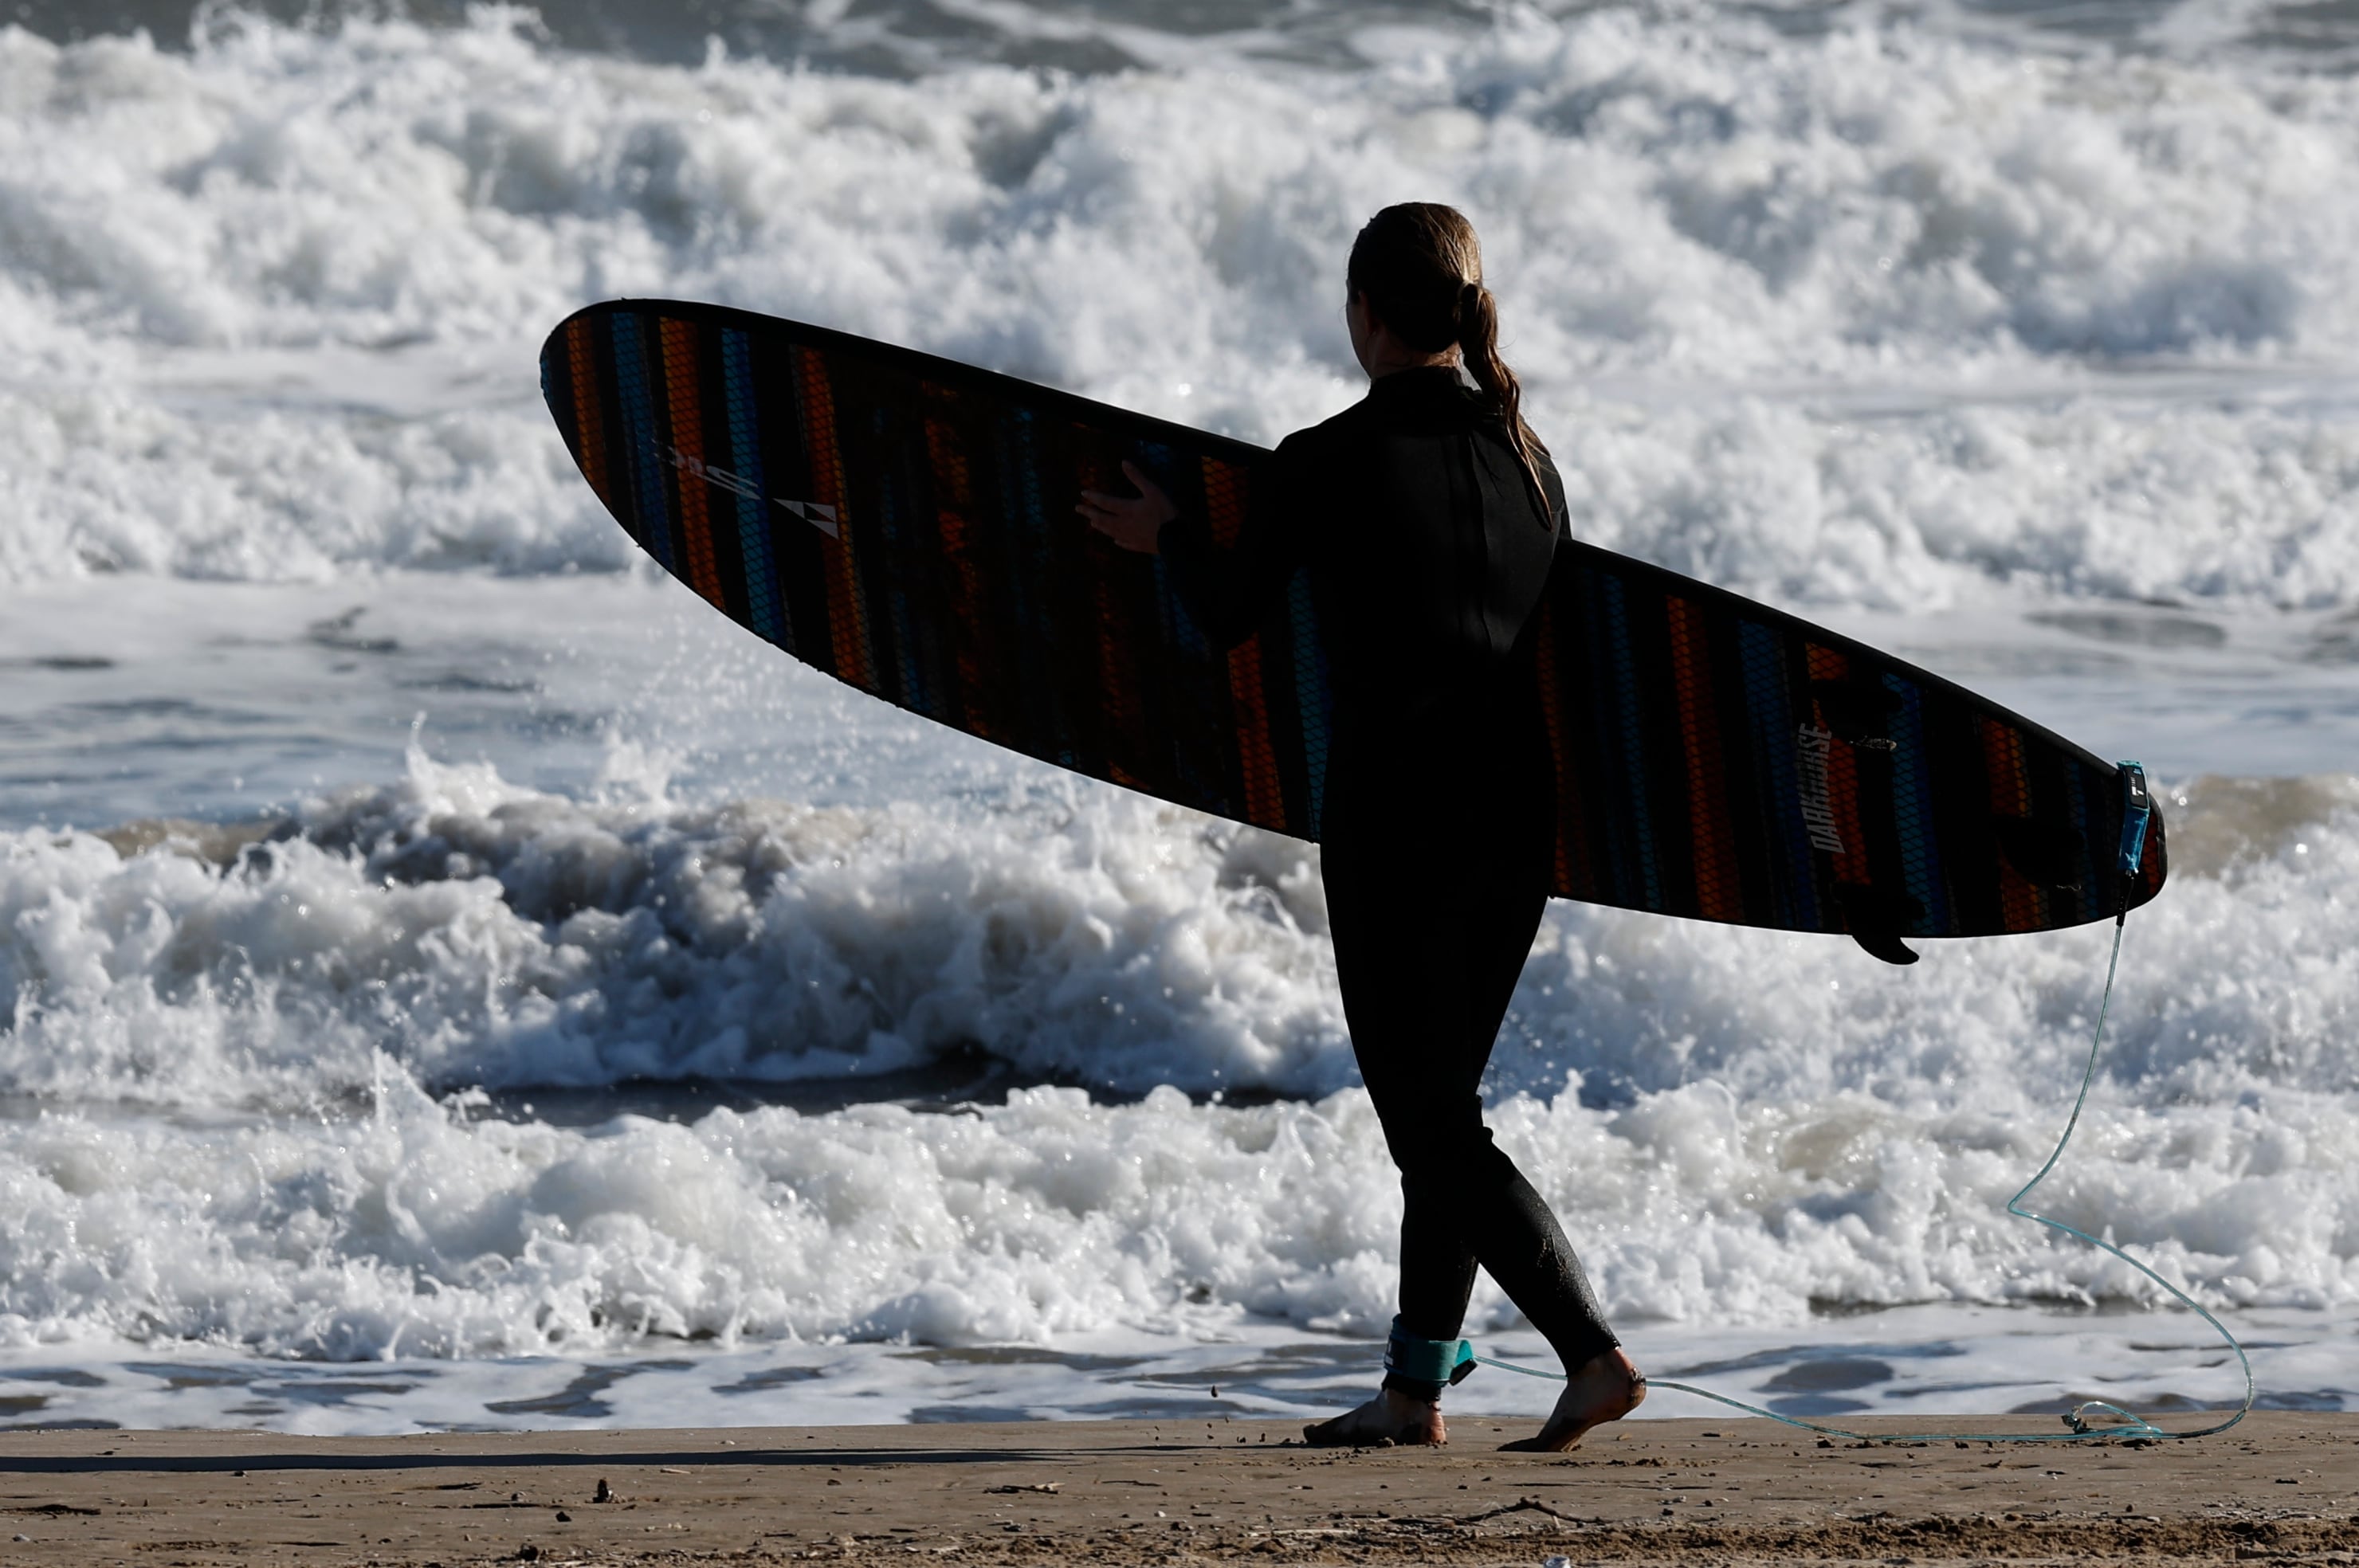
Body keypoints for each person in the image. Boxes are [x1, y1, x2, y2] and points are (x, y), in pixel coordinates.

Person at [1076, 203, 1646, 1451]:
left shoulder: (1323, 460)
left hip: (1401, 815)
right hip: (1519, 814)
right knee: (1442, 1111)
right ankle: (1413, 1393)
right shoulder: (1533, 463)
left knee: (1428, 1119)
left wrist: (1163, 533)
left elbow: (1227, 617)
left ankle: (1591, 1351)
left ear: (1366, 316)